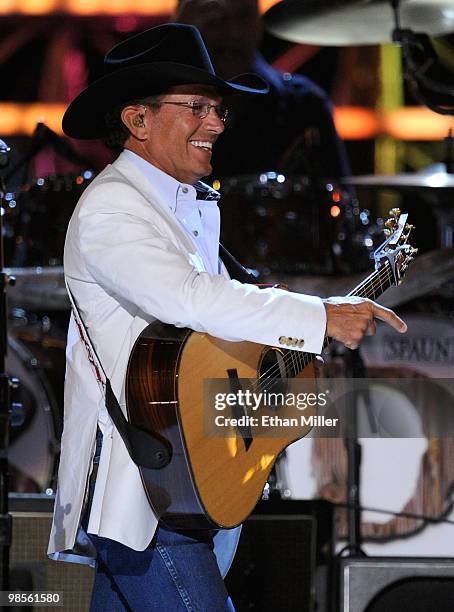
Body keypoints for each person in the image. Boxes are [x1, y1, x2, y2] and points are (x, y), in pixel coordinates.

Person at [47, 23, 407, 611]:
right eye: (196, 108)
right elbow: (188, 299)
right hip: (145, 495)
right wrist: (319, 317)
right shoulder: (113, 208)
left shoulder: (186, 205)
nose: (215, 124)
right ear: (137, 120)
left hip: (182, 483)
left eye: (217, 110)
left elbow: (205, 337)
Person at [174, 0, 350, 179]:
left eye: (244, 17)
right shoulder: (158, 103)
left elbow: (340, 199)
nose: (233, 32)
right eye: (216, 19)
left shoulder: (305, 105)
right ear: (185, 24)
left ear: (259, 23)